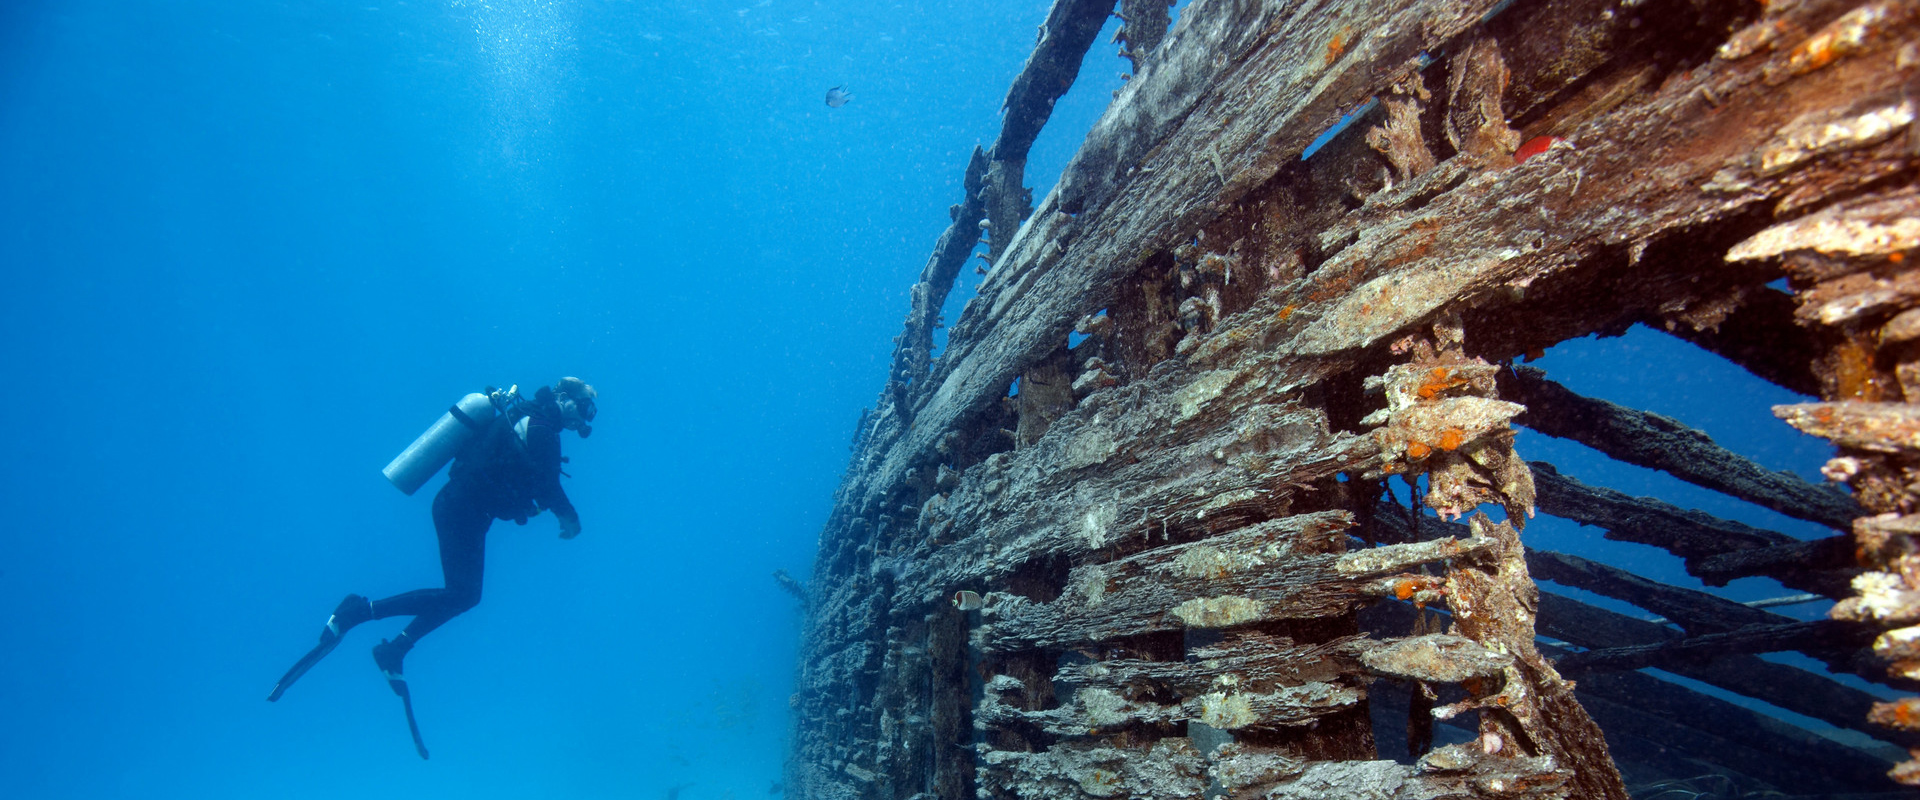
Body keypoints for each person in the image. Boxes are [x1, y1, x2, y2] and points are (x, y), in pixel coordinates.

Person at [267, 377, 597, 757]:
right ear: (562, 397)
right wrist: (569, 518)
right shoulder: (540, 427)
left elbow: (535, 482)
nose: (585, 419)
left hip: (466, 511)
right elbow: (548, 485)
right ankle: (359, 613)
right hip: (462, 511)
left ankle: (394, 648)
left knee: (465, 595)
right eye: (585, 407)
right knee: (463, 593)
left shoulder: (531, 421)